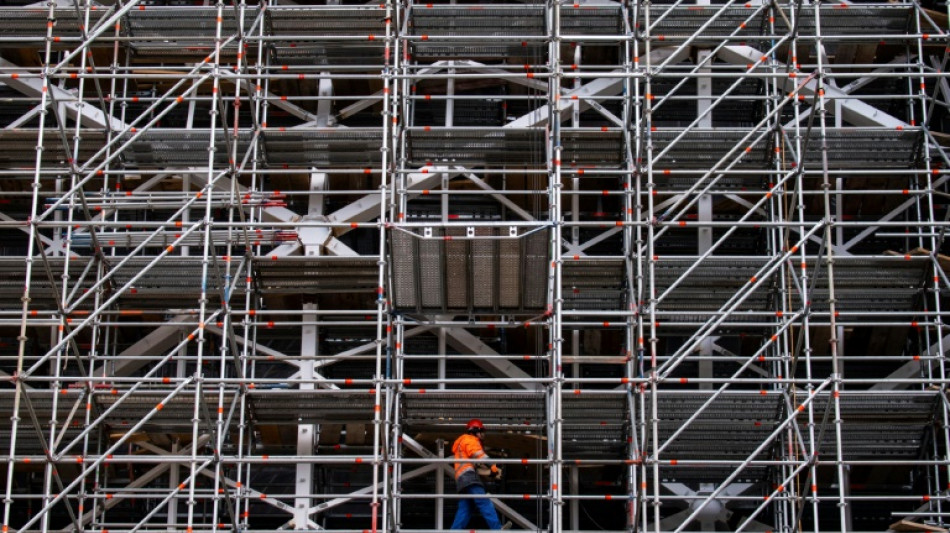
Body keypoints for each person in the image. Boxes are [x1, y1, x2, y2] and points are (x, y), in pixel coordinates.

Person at [450, 418, 510, 530]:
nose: (483, 435)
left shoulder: (462, 442)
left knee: (465, 508)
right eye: (482, 432)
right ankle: (497, 529)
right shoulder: (470, 440)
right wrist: (493, 466)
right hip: (468, 477)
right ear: (476, 431)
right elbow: (480, 455)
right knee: (484, 502)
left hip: (461, 479)